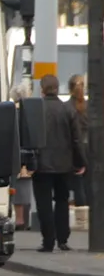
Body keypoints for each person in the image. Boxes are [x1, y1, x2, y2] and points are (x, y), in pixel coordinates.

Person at [32, 75, 86, 252]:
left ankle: (48, 241)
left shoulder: (36, 111)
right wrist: (80, 162)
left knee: (44, 203)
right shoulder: (68, 110)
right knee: (62, 200)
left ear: (42, 88)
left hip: (41, 165)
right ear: (57, 88)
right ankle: (63, 239)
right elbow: (76, 139)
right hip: (64, 164)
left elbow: (28, 138)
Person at [66, 74, 90, 229]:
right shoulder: (90, 107)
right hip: (91, 149)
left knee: (78, 185)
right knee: (90, 185)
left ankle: (82, 221)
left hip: (75, 150)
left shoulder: (67, 107)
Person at [9, 83, 33, 230]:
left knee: (18, 189)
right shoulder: (28, 113)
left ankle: (19, 219)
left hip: (15, 156)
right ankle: (22, 220)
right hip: (25, 156)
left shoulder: (12, 113)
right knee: (24, 190)